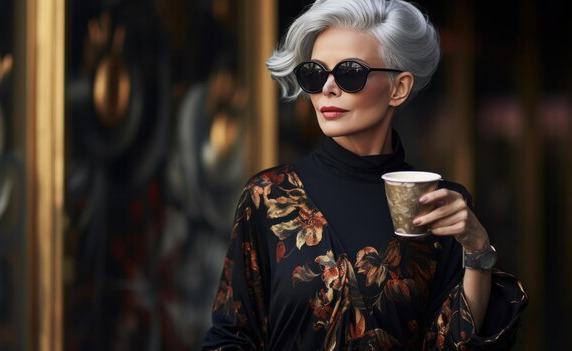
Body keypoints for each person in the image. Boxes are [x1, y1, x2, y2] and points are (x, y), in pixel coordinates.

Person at [201, 0, 528, 349]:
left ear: (399, 88)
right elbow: (231, 336)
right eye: (314, 73)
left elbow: (454, 343)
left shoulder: (442, 204)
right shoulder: (268, 196)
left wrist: (477, 250)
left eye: (349, 73)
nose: (327, 88)